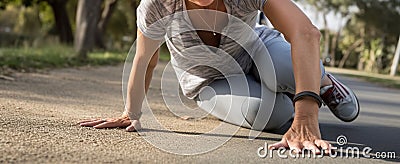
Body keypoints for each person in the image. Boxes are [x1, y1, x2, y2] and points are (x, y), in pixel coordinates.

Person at [79, 0, 360, 154]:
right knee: (270, 114)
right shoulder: (157, 5)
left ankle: (321, 83)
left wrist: (307, 115)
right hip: (210, 82)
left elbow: (305, 33)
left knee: (285, 68)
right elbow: (144, 59)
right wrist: (131, 111)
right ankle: (293, 92)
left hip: (255, 49)